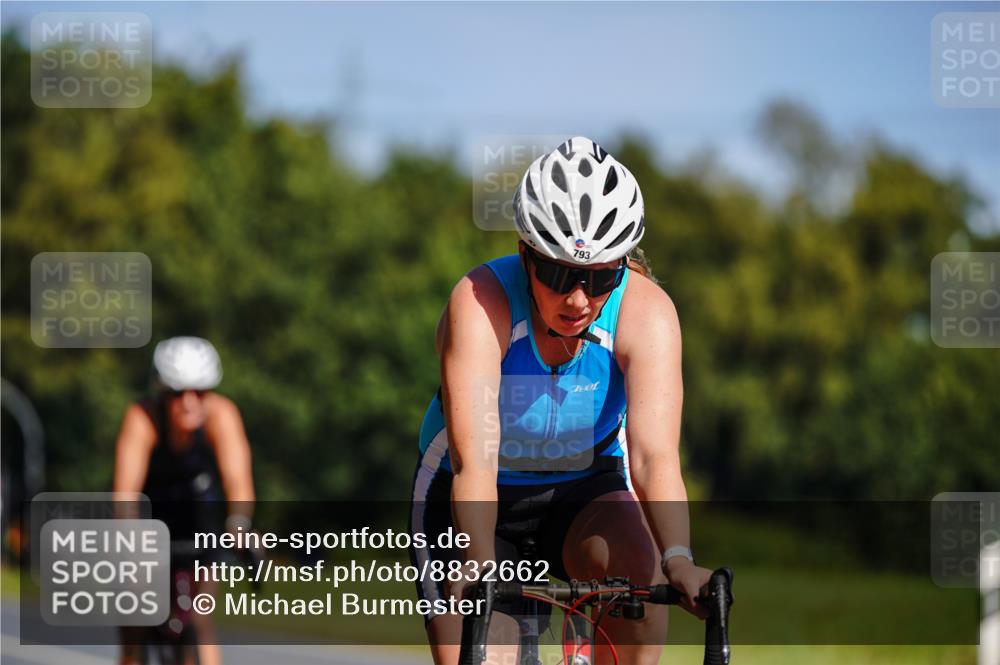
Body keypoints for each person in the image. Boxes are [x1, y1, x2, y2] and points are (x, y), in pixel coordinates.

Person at [409, 137, 714, 665]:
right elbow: (475, 460)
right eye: (558, 274)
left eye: (600, 279)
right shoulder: (481, 302)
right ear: (526, 255)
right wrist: (479, 560)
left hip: (585, 483)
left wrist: (680, 560)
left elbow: (653, 457)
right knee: (487, 651)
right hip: (477, 493)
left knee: (639, 576)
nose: (578, 299)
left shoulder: (647, 315)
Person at [113, 336, 255, 665]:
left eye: (200, 392)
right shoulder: (142, 418)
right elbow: (124, 494)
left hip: (199, 515)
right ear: (162, 393)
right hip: (150, 516)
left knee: (201, 618)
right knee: (133, 616)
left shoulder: (223, 415)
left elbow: (239, 484)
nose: (189, 402)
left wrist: (239, 525)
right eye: (177, 393)